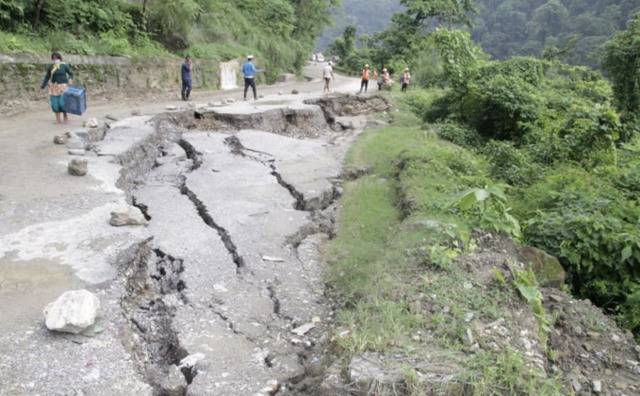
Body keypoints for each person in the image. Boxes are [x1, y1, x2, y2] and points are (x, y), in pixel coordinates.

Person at [41, 52, 73, 124]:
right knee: (55, 104)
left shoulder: (64, 66)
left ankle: (65, 116)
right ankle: (57, 119)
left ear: (60, 58)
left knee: (62, 103)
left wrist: (70, 79)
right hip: (54, 87)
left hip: (63, 87)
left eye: (57, 58)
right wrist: (43, 85)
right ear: (52, 59)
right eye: (54, 58)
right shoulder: (50, 66)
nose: (56, 60)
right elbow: (47, 76)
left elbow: (71, 73)